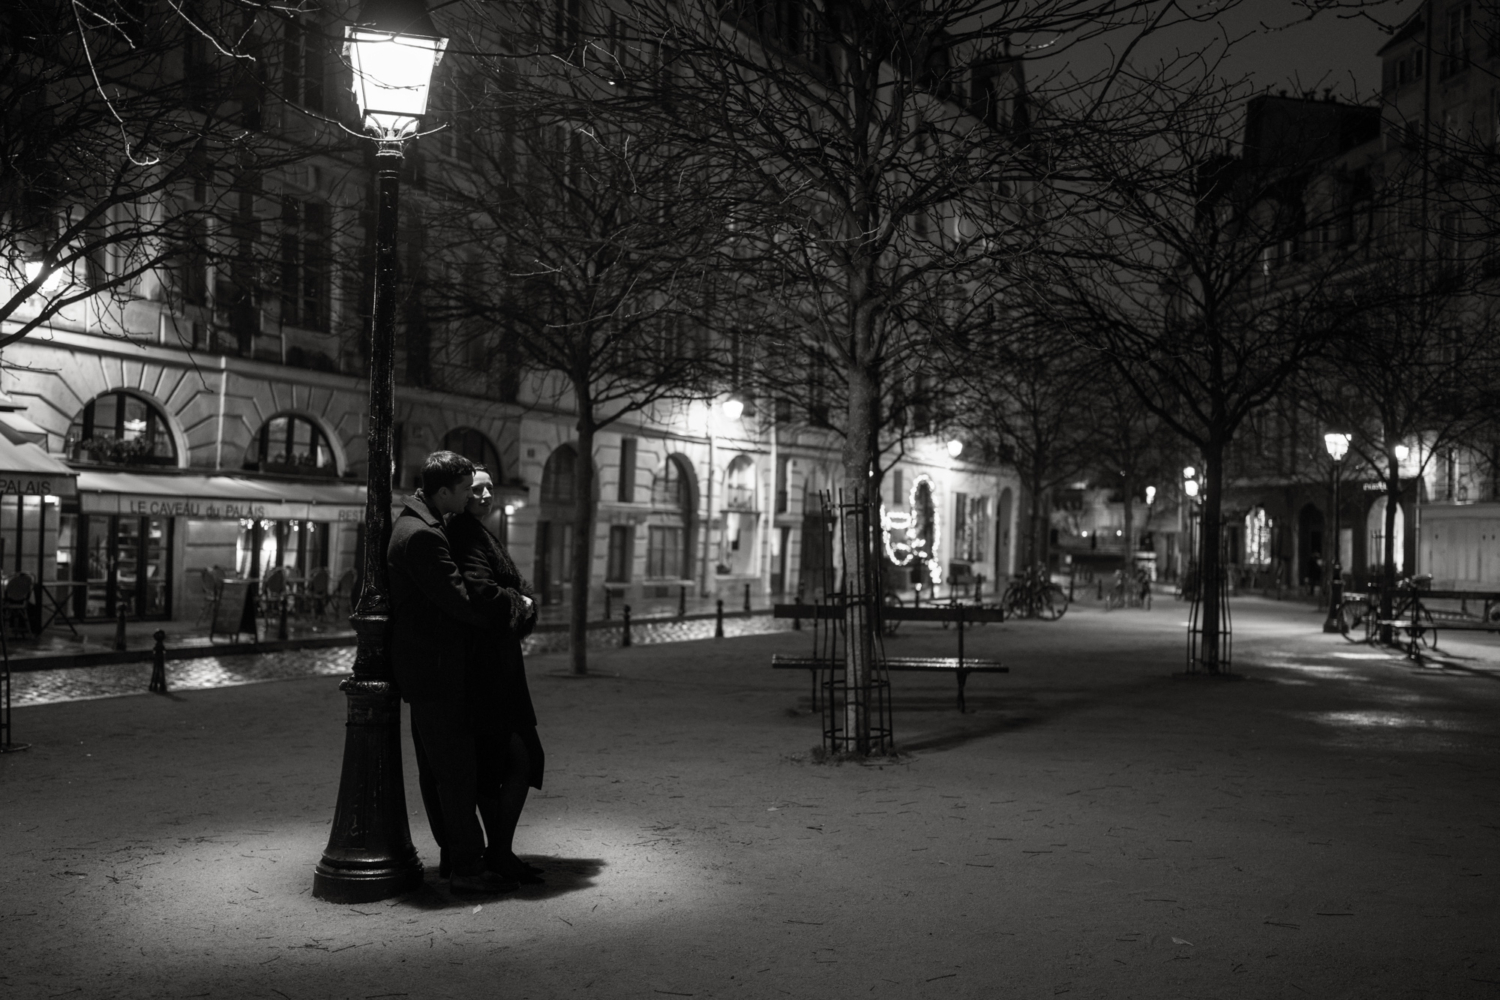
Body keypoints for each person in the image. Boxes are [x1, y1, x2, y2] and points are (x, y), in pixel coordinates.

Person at [388, 450, 515, 896]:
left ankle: (455, 860)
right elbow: (461, 603)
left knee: (442, 770)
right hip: (437, 672)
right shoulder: (422, 536)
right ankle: (466, 865)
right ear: (444, 492)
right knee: (455, 772)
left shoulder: (420, 524)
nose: (470, 498)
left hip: (428, 671)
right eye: (464, 490)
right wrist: (509, 613)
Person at [448, 466, 546, 884]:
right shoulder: (467, 534)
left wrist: (521, 601)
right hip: (489, 670)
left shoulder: (479, 532)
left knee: (502, 761)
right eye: (477, 489)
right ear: (461, 495)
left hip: (498, 666)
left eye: (490, 488)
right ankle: (499, 851)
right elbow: (486, 593)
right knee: (518, 757)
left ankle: (499, 851)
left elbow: (507, 589)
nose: (487, 495)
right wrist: (521, 603)